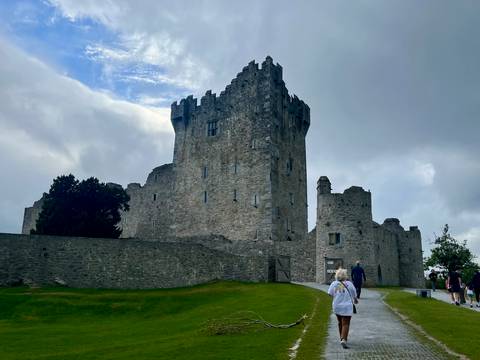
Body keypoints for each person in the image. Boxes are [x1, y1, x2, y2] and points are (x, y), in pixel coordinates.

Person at [328, 268, 358, 349]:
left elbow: (330, 294)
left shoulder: (334, 284)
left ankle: (341, 337)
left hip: (337, 306)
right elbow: (355, 294)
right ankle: (344, 339)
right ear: (345, 276)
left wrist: (337, 294)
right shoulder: (349, 284)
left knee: (340, 322)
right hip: (347, 306)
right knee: (346, 323)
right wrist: (355, 300)